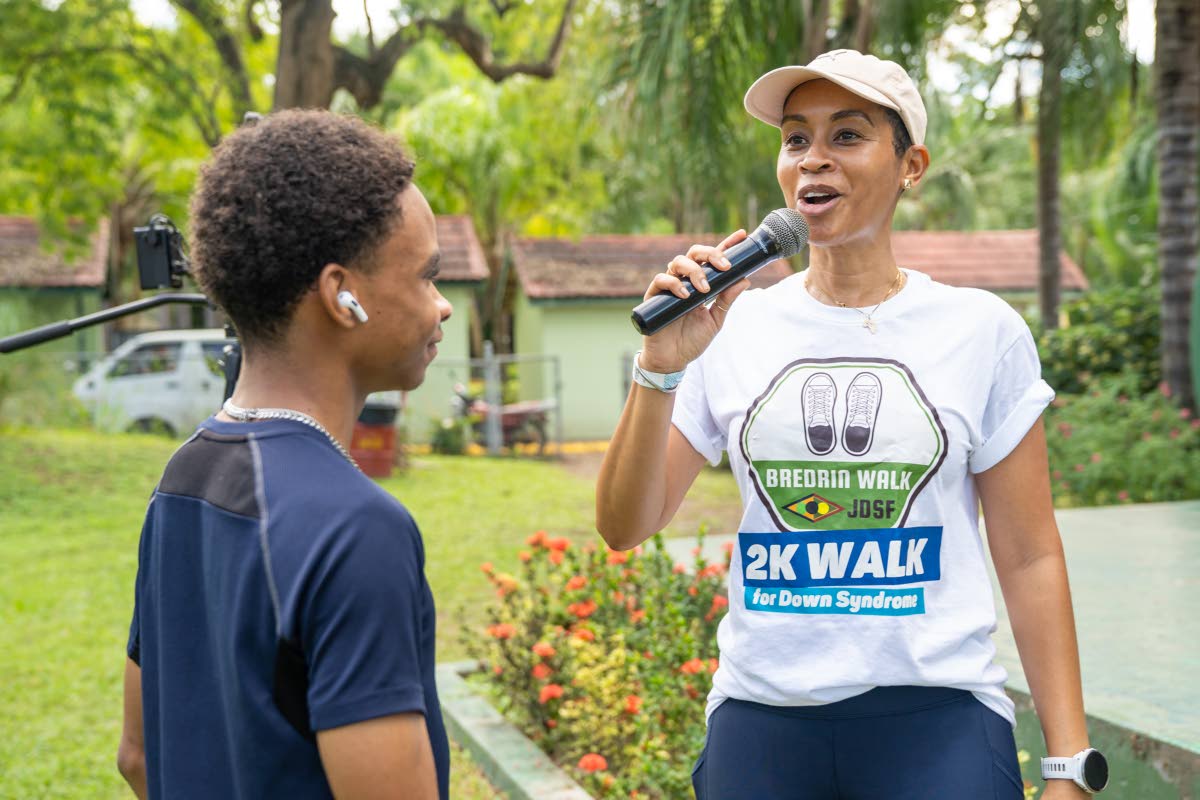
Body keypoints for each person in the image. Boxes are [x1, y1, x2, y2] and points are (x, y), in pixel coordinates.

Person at [596, 50, 1107, 799]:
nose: (812, 161)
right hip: (762, 718)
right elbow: (623, 525)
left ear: (911, 165)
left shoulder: (979, 330)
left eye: (846, 136)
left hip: (937, 716)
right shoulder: (728, 326)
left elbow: (1030, 555)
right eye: (796, 138)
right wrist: (660, 364)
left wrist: (1069, 767)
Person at [117, 110, 453, 800]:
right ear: (341, 296)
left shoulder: (180, 479)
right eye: (425, 277)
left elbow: (138, 759)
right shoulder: (357, 530)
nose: (442, 306)